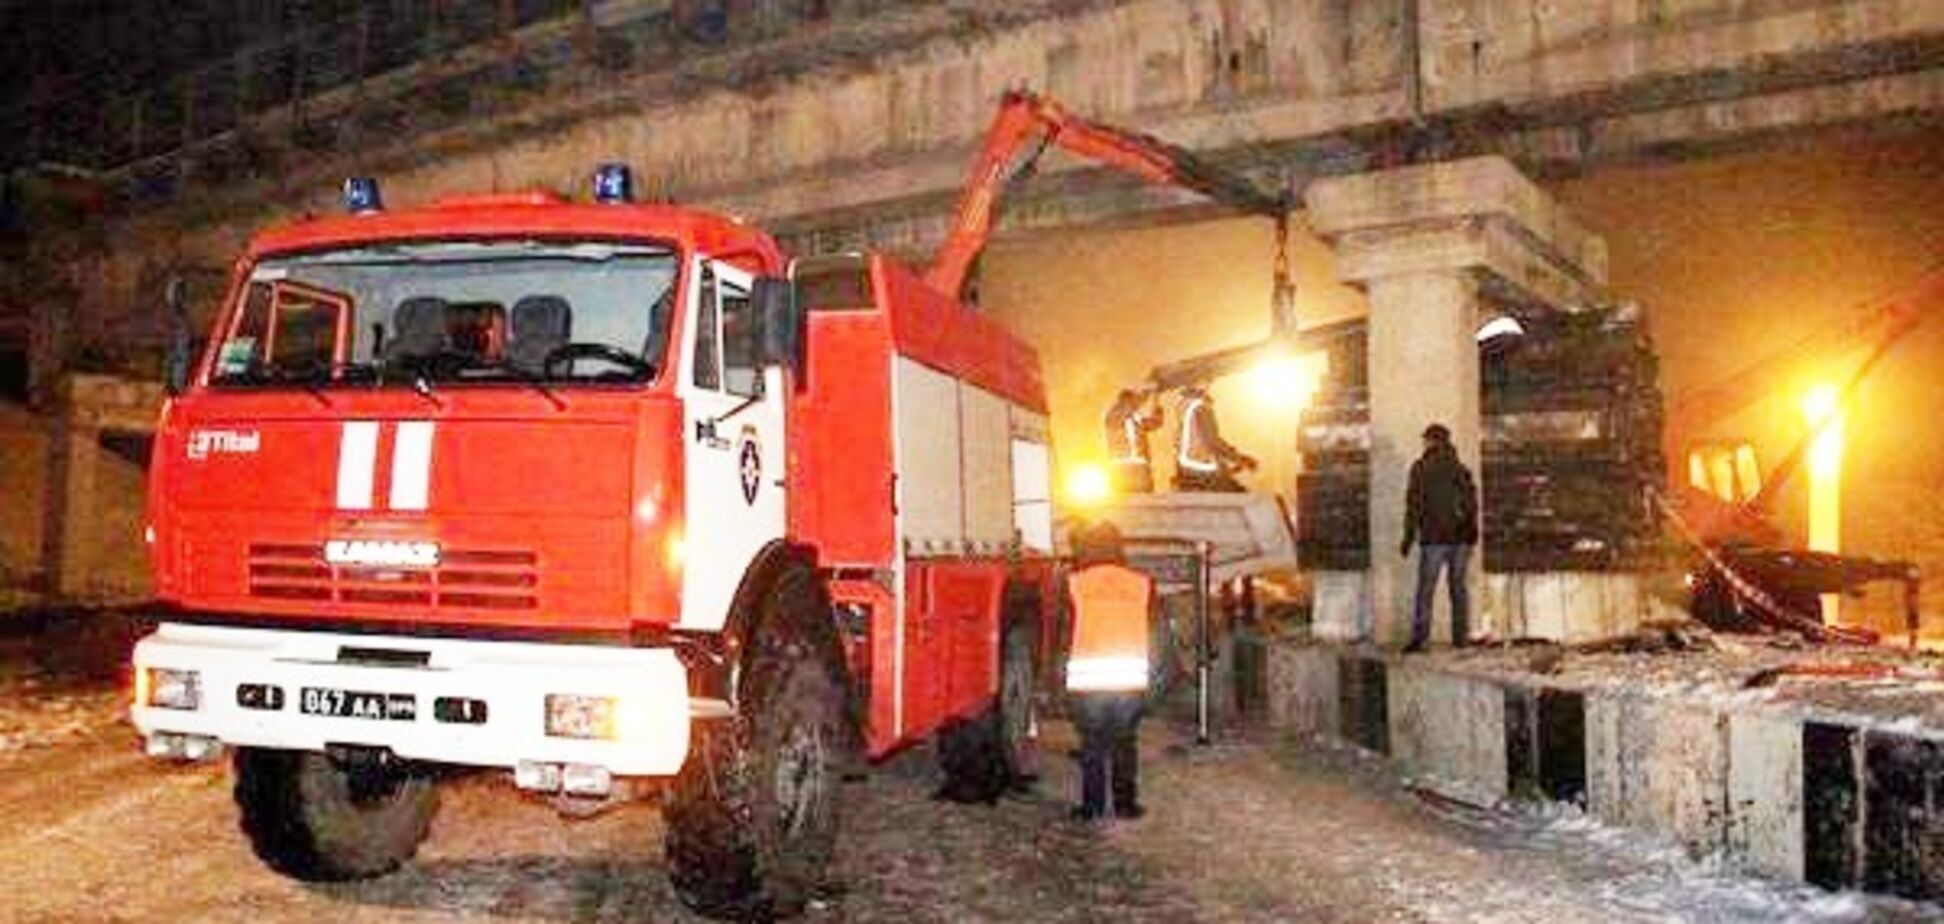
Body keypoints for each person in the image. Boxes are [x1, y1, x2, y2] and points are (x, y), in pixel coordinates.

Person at [1063, 521, 1154, 821]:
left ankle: (1092, 806)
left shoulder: (1077, 583)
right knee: (1124, 744)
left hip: (1088, 684)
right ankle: (1126, 805)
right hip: (1129, 682)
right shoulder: (1141, 583)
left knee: (1092, 745)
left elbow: (1066, 625)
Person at [1400, 423, 1480, 652]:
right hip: (1461, 539)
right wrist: (1472, 532)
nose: (1423, 443)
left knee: (1426, 589)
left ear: (1431, 441)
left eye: (1426, 439)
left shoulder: (1421, 468)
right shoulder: (1460, 469)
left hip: (1434, 538)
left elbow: (1413, 505)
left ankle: (1420, 638)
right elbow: (1472, 504)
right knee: (1458, 589)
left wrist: (1408, 536)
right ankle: (1460, 639)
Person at [1173, 385, 1257, 492]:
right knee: (1237, 497)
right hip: (1203, 468)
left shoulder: (1185, 408)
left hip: (1186, 469)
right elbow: (1212, 442)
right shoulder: (1201, 408)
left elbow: (1184, 441)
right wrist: (1239, 459)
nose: (1208, 384)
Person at [1103, 388, 1163, 493]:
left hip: (1139, 467)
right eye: (1133, 400)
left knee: (1145, 503)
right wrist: (1146, 394)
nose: (1136, 404)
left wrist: (1156, 402)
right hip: (1122, 468)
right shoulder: (1114, 415)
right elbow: (1124, 413)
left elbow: (1155, 423)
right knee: (1124, 502)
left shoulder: (1134, 418)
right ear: (1125, 401)